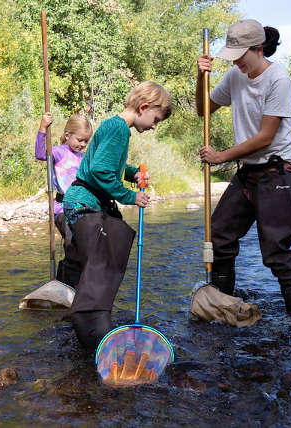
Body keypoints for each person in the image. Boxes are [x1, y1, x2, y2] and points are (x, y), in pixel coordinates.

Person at [195, 19, 291, 314]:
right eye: (232, 55)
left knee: (275, 250)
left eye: (240, 55)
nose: (235, 62)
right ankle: (222, 305)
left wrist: (220, 156)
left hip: (278, 170)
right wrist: (201, 77)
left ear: (258, 49)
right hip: (249, 172)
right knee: (219, 235)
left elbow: (265, 137)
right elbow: (203, 110)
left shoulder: (279, 80)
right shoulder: (235, 75)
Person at [63, 81, 172, 350]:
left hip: (79, 203)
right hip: (84, 204)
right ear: (144, 107)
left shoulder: (114, 126)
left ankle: (81, 325)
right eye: (156, 119)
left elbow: (106, 164)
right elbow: (100, 172)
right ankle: (94, 332)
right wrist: (129, 196)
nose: (154, 126)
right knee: (101, 265)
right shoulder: (119, 130)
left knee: (89, 267)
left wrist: (132, 172)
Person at [35, 113, 93, 288]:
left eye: (85, 142)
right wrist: (43, 128)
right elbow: (40, 154)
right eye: (80, 140)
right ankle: (68, 285)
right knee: (71, 242)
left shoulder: (83, 158)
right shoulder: (59, 152)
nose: (82, 145)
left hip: (78, 208)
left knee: (79, 245)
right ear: (68, 136)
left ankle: (68, 282)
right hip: (61, 208)